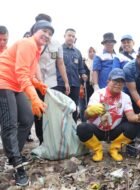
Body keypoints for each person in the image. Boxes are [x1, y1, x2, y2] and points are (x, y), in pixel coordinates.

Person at [0, 20, 53, 186]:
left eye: (50, 33)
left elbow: (27, 74)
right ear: (34, 31)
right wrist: (34, 97)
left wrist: (37, 84)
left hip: (15, 85)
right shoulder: (26, 43)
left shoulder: (36, 50)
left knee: (27, 118)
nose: (47, 35)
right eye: (44, 31)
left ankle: (13, 155)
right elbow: (22, 73)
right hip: (3, 82)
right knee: (10, 124)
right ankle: (16, 164)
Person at [77, 68, 140, 162]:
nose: (118, 84)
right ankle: (97, 149)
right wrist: (90, 111)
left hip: (114, 131)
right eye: (115, 81)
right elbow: (86, 116)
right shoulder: (98, 94)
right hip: (97, 131)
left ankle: (114, 149)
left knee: (132, 127)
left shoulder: (125, 97)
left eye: (121, 82)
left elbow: (131, 116)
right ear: (108, 81)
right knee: (82, 128)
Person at [32, 13, 70, 144]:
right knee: (38, 111)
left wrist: (66, 82)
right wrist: (39, 81)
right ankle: (42, 139)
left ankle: (52, 138)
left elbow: (60, 63)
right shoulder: (31, 41)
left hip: (52, 84)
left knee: (51, 111)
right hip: (35, 83)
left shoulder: (56, 44)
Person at [55, 28, 86, 122]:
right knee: (60, 108)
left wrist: (83, 74)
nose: (71, 38)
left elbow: (81, 68)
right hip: (60, 84)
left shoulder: (78, 52)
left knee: (73, 107)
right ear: (64, 36)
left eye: (73, 36)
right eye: (69, 35)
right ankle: (60, 131)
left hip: (75, 84)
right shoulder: (58, 49)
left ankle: (73, 130)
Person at [79, 46, 96, 121]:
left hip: (94, 87)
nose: (92, 53)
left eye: (93, 51)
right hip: (84, 86)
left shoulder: (97, 62)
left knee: (93, 106)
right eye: (90, 51)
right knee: (83, 107)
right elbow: (80, 73)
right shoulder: (83, 62)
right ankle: (83, 123)